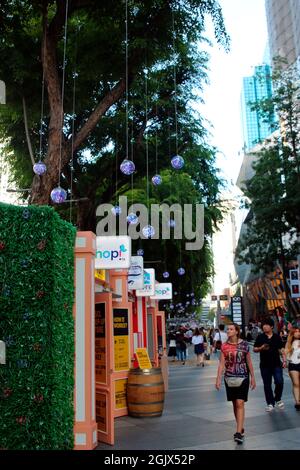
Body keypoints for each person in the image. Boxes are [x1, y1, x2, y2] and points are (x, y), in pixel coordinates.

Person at [215, 323, 256, 445]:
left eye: (231, 329)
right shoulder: (224, 346)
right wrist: (218, 379)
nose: (228, 331)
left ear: (237, 331)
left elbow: (249, 362)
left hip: (243, 377)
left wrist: (253, 377)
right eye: (228, 329)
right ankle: (240, 425)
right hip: (229, 378)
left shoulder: (244, 345)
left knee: (240, 403)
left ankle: (238, 433)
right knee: (234, 404)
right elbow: (221, 364)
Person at [254, 318, 287, 412]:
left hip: (276, 364)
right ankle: (270, 403)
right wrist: (261, 348)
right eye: (263, 325)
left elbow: (281, 350)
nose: (264, 326)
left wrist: (284, 361)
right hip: (264, 365)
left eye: (266, 325)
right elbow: (255, 349)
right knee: (267, 385)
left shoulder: (276, 337)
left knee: (279, 381)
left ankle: (277, 398)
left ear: (271, 326)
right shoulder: (260, 337)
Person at [285, 327, 300, 410]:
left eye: (299, 331)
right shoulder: (289, 343)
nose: (298, 333)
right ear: (292, 334)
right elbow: (286, 354)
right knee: (296, 383)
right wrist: (293, 348)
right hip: (293, 364)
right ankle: (297, 402)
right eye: (296, 332)